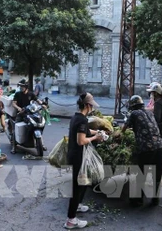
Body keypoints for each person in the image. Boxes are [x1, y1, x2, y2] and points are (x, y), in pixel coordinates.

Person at [64, 92, 104, 229]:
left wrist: (98, 132)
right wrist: (95, 138)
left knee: (84, 183)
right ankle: (71, 220)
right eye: (92, 105)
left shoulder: (77, 117)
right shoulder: (82, 120)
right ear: (87, 105)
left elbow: (86, 131)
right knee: (77, 187)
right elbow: (81, 140)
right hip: (78, 157)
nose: (93, 108)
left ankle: (78, 206)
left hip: (75, 155)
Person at [122, 95, 162, 206]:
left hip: (146, 148)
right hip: (160, 146)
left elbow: (124, 129)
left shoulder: (134, 114)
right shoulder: (149, 112)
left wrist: (120, 135)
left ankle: (137, 200)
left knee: (140, 174)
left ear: (133, 106)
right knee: (156, 175)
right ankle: (155, 199)